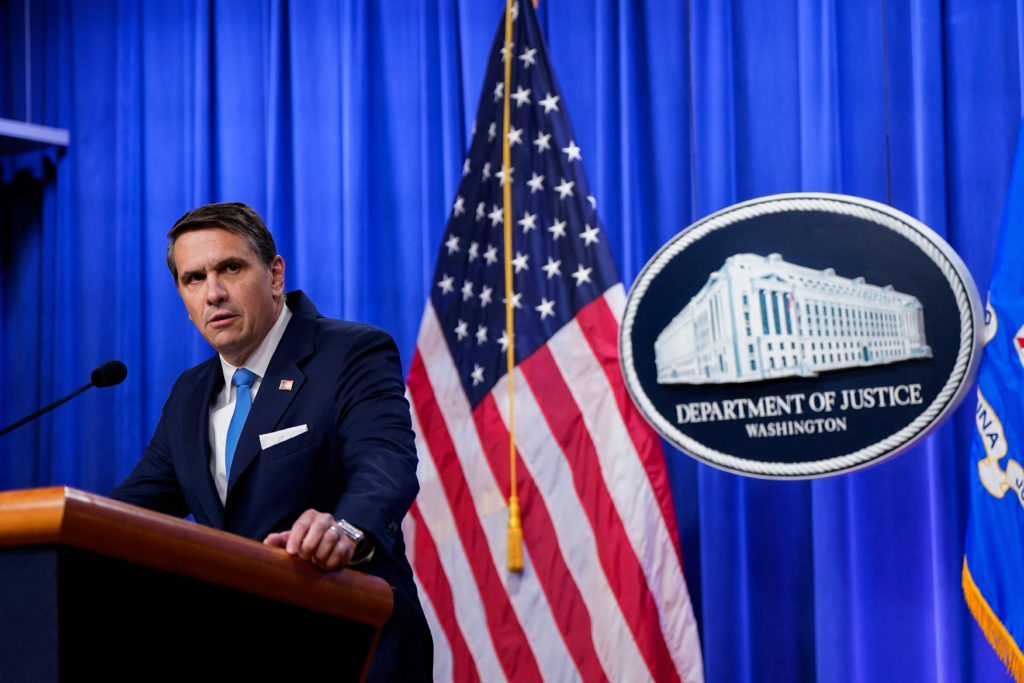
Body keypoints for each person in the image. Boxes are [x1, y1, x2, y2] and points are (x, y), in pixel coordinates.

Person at [111, 202, 432, 680]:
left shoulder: (350, 352)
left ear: (275, 274)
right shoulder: (189, 394)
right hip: (241, 653)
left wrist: (344, 530)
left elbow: (385, 465)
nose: (213, 293)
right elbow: (130, 512)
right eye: (193, 278)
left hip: (351, 643)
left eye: (230, 268)